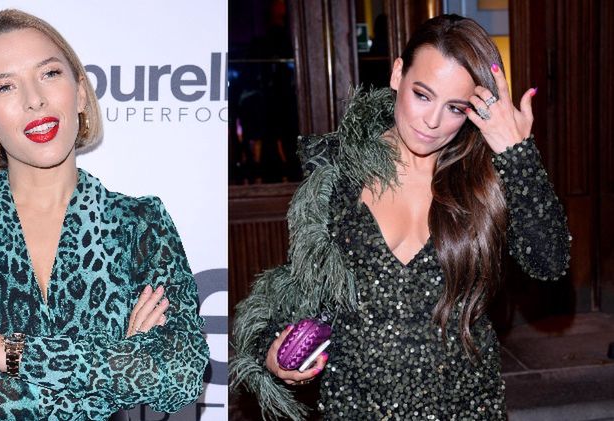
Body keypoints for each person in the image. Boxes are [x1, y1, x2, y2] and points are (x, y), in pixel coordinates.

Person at [231, 14, 570, 420]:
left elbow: (550, 262)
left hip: (465, 406)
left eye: (455, 107)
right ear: (397, 74)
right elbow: (301, 286)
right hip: (356, 406)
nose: (433, 121)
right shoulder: (337, 173)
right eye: (422, 95)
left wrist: (517, 154)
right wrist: (272, 351)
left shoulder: (485, 180)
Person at [0, 9, 209, 420]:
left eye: (49, 73)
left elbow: (182, 373)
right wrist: (121, 366)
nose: (34, 99)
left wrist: (7, 351)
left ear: (81, 94)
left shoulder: (139, 223)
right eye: (5, 86)